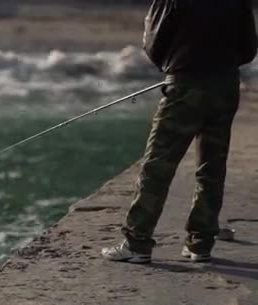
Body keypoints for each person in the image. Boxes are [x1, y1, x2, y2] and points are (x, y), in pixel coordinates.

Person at [102, 0, 258, 263]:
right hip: (225, 86)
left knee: (158, 164)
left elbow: (153, 43)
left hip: (186, 85)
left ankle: (137, 242)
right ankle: (200, 243)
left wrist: (177, 65)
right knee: (212, 166)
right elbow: (248, 49)